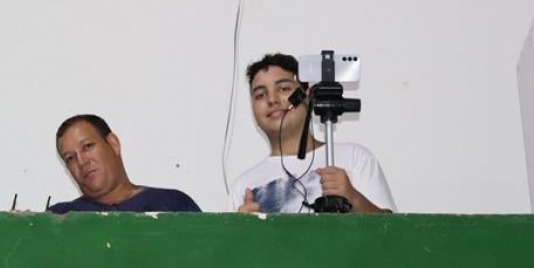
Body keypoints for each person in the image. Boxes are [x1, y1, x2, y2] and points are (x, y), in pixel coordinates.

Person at [230, 53, 395, 214]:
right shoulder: (243, 186)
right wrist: (242, 227)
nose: (272, 100)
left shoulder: (355, 158)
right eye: (260, 95)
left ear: (307, 96)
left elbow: (390, 230)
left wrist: (353, 198)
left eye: (284, 88)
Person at [50, 114, 201, 214]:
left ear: (113, 144)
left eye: (88, 146)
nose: (82, 162)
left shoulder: (174, 205)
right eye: (70, 158)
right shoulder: (59, 218)